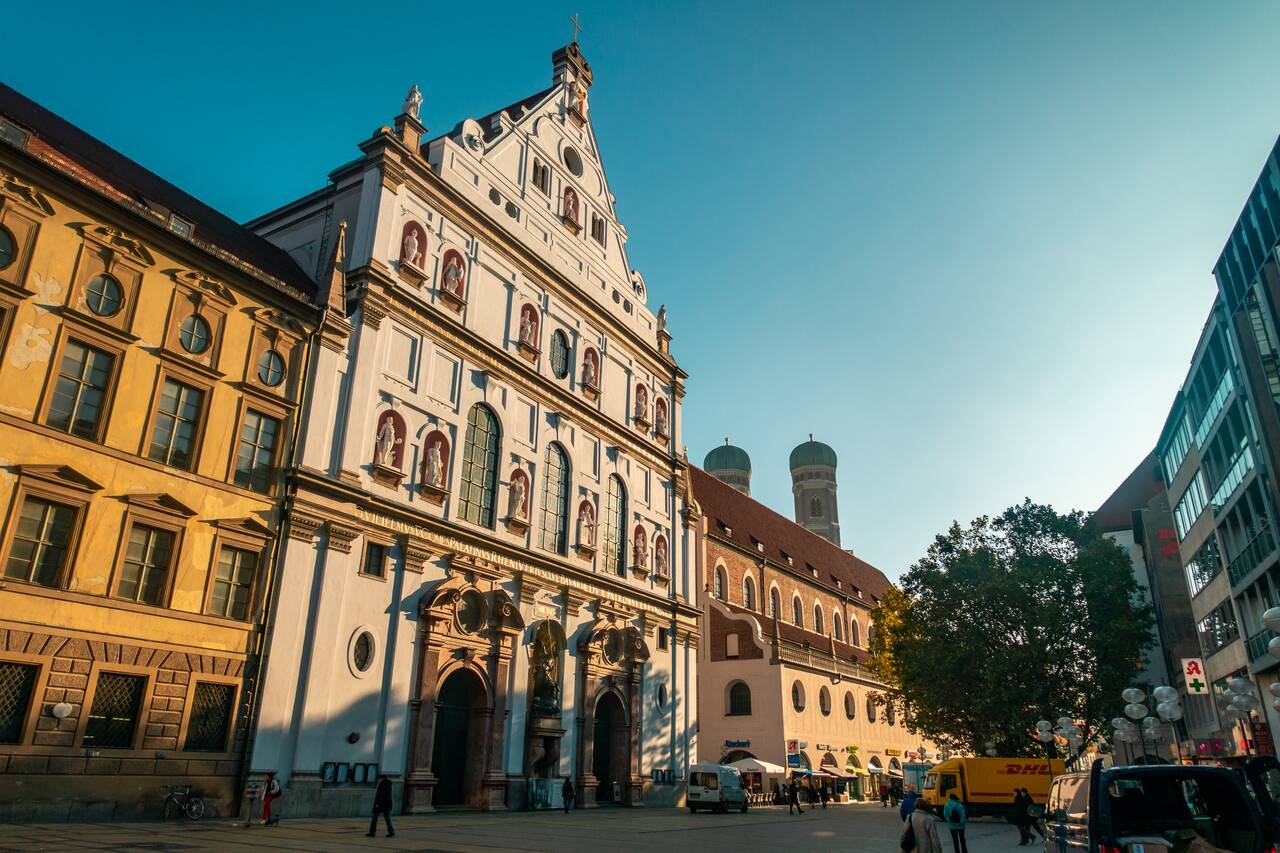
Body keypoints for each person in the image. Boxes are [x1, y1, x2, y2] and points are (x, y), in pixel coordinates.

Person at [366, 774, 394, 838]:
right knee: (387, 819)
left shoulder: (383, 785)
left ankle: (372, 832)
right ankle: (391, 831)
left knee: (374, 818)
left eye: (378, 779)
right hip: (386, 805)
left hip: (381, 805)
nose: (377, 781)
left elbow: (381, 795)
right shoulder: (387, 784)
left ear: (381, 779)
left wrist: (378, 803)